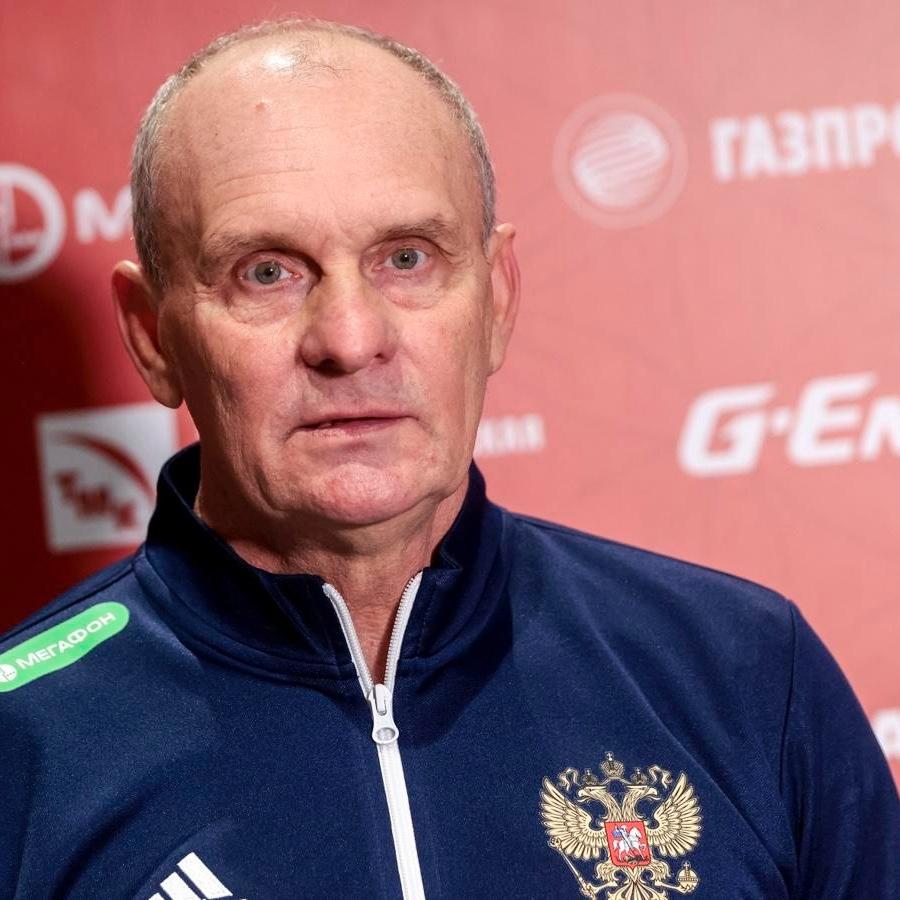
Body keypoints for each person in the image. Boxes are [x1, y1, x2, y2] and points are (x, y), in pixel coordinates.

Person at [0, 19, 897, 900]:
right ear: (152, 336)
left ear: (497, 298)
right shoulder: (22, 744)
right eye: (267, 272)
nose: (350, 338)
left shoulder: (746, 673)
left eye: (406, 258)